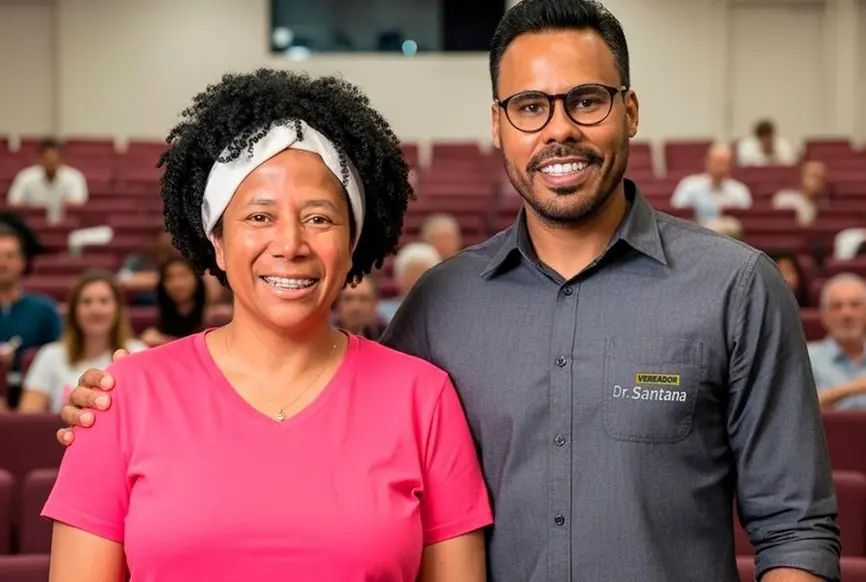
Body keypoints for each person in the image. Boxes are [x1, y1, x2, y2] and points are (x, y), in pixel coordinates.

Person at [60, 1, 840, 581]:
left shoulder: (736, 288)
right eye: (530, 106)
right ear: (499, 126)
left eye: (587, 100)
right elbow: (319, 416)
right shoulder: (442, 304)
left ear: (629, 111)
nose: (557, 128)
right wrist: (122, 397)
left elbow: (797, 532)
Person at [43, 69, 491, 581]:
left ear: (352, 244)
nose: (290, 244)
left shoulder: (424, 399)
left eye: (319, 218)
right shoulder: (118, 399)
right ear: (217, 240)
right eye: (259, 217)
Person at [18, 269, 147, 414]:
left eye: (104, 301)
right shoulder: (50, 355)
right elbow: (27, 417)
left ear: (117, 309)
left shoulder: (138, 352)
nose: (95, 310)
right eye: (86, 302)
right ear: (74, 311)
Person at [0, 223, 62, 409]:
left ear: (22, 261)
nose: (2, 263)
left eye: (10, 256)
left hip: (38, 399)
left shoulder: (44, 310)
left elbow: (61, 358)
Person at [808, 274, 866, 410]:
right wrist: (854, 388)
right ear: (824, 316)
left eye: (855, 305)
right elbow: (796, 412)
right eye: (836, 306)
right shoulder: (806, 358)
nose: (846, 314)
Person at [670, 143, 752, 223]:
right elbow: (678, 211)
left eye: (725, 163)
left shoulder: (739, 190)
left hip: (726, 234)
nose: (721, 167)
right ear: (707, 162)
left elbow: (746, 218)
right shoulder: (689, 185)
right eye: (718, 162)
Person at [7, 139, 88, 217]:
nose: (50, 162)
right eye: (47, 159)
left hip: (64, 224)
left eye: (54, 159)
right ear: (39, 159)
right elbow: (13, 203)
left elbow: (78, 204)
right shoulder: (25, 176)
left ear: (61, 159)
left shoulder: (74, 177)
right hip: (30, 225)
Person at [139, 257, 207, 346]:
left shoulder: (212, 317)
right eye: (170, 278)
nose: (177, 283)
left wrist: (166, 340)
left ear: (196, 278)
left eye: (183, 276)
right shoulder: (156, 320)